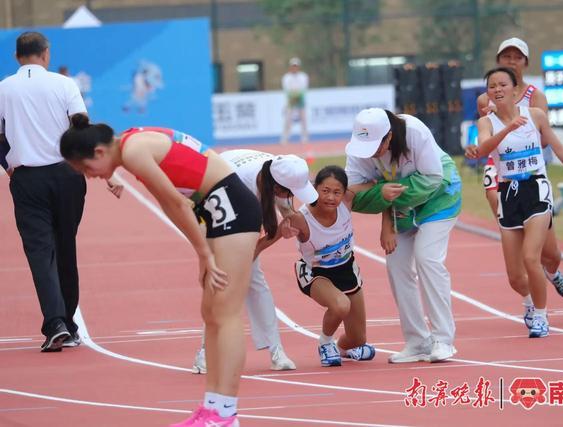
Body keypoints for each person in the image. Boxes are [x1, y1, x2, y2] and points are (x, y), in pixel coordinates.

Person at [60, 118, 262, 427]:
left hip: (233, 208)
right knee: (210, 312)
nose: (90, 177)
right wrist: (202, 250)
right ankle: (211, 409)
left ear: (99, 152)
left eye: (86, 169)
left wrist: (204, 252)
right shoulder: (130, 146)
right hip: (215, 212)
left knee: (226, 312)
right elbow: (177, 204)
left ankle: (226, 413)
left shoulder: (134, 151)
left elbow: (176, 204)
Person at [0, 32, 119, 353]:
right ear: (46, 54)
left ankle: (55, 324)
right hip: (67, 175)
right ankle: (69, 322)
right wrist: (100, 168)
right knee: (65, 246)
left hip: (26, 180)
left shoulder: (3, 89)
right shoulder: (64, 84)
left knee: (40, 252)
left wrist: (7, 165)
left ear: (16, 57)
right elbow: (81, 125)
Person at [475, 67, 563, 338]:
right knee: (515, 277)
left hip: (537, 189)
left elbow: (559, 148)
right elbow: (483, 150)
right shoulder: (486, 122)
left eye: (502, 85)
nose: (497, 90)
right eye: (492, 86)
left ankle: (542, 318)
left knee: (533, 257)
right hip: (508, 192)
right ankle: (530, 304)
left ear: (513, 88)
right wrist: (507, 128)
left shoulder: (535, 116)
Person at [467, 37, 563, 327]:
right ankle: (526, 281)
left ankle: (552, 274)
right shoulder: (486, 99)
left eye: (517, 57)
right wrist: (492, 136)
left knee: (551, 256)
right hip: (499, 167)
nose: (511, 61)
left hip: (531, 167)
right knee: (497, 203)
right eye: (506, 57)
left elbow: (545, 139)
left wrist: (518, 128)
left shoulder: (536, 98)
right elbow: (484, 139)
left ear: (525, 63)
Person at [345, 108, 462, 363]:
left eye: (376, 146)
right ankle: (417, 342)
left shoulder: (414, 132)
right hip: (401, 208)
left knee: (427, 257)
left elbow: (432, 178)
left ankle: (443, 339)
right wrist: (382, 199)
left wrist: (382, 192)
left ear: (389, 137)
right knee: (396, 263)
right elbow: (353, 194)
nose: (371, 154)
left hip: (439, 197)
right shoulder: (357, 151)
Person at [191, 149, 318, 373]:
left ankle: (276, 351)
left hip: (234, 191)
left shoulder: (278, 170)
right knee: (223, 281)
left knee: (255, 281)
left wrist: (289, 224)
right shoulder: (241, 188)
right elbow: (250, 249)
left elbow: (289, 212)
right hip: (210, 205)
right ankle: (204, 353)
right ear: (277, 187)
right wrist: (277, 234)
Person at [284, 165, 375, 367]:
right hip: (316, 273)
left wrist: (380, 184)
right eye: (325, 191)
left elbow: (370, 184)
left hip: (346, 269)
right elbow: (279, 222)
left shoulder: (346, 202)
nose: (331, 198)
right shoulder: (302, 218)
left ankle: (342, 348)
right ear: (314, 189)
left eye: (336, 192)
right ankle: (325, 343)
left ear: (344, 193)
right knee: (341, 305)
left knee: (358, 339)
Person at [280, 57, 309, 145]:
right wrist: (293, 96)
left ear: (298, 67)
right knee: (288, 119)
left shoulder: (303, 76)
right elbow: (287, 89)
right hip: (290, 99)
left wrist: (297, 95)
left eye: (296, 66)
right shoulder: (286, 77)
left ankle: (304, 137)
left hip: (300, 99)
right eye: (293, 66)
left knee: (303, 119)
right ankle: (285, 137)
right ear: (290, 67)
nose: (294, 68)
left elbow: (303, 88)